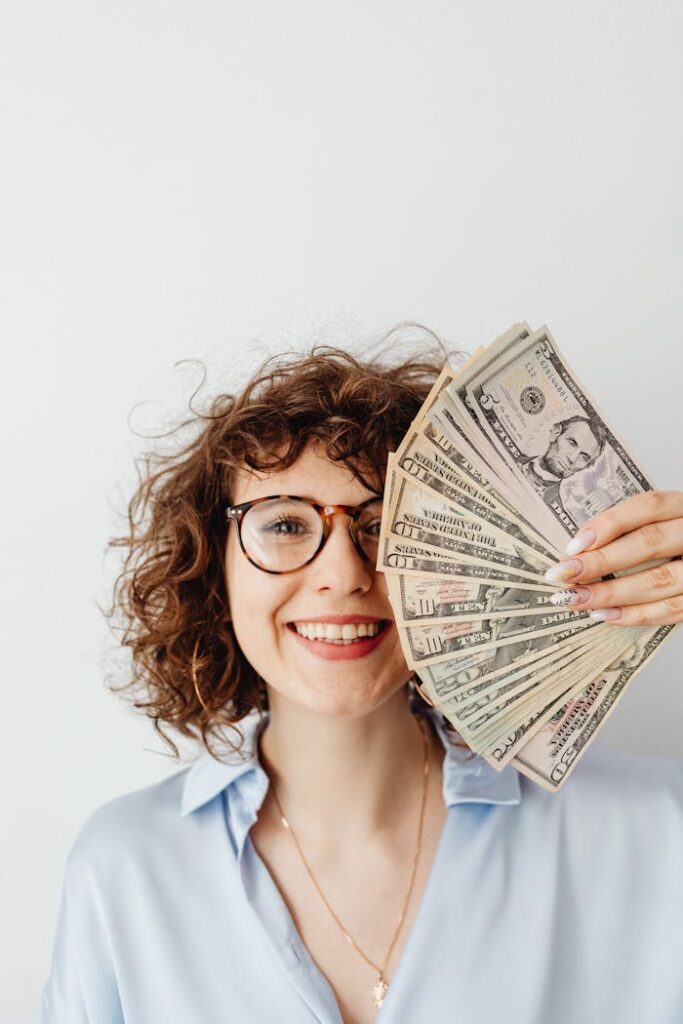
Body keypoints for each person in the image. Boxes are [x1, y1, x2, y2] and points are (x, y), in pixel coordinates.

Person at [41, 336, 683, 1024]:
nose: (344, 573)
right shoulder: (123, 868)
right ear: (214, 571)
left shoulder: (651, 828)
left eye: (384, 527)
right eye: (284, 524)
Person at [518, 414, 607, 508]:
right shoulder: (513, 456)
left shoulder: (555, 511)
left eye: (584, 457)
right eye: (572, 443)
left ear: (587, 466)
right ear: (555, 433)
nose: (572, 458)